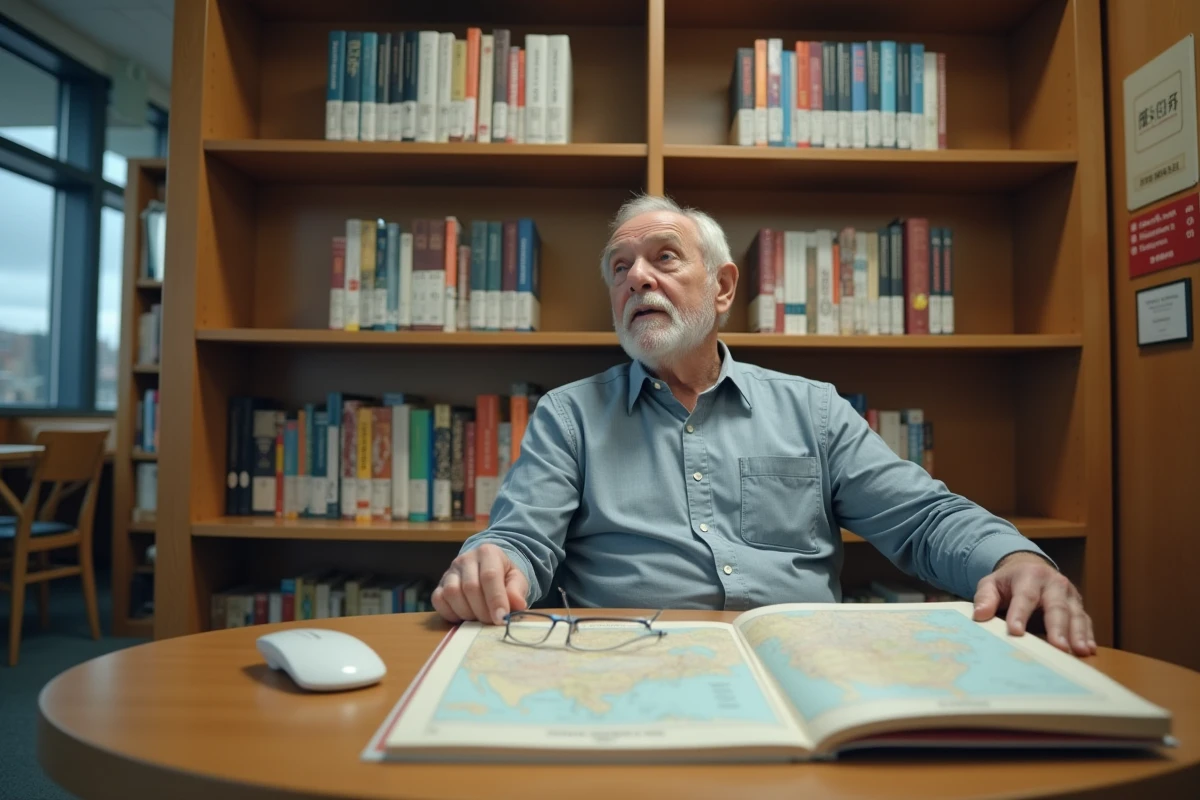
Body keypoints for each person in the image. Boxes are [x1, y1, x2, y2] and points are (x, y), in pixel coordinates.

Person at [432, 194, 1096, 656]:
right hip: (631, 664)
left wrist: (1011, 558)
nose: (635, 277)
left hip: (806, 663)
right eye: (618, 267)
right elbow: (521, 537)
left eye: (664, 258)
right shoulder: (569, 415)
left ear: (722, 288)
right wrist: (495, 563)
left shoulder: (813, 409)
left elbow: (922, 520)